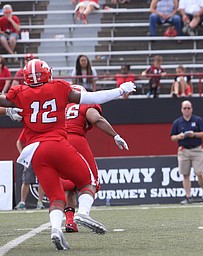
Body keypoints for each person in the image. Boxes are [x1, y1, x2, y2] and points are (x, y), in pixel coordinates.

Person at [0, 58, 135, 250]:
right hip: (57, 144)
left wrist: (8, 111)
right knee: (88, 181)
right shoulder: (58, 88)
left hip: (36, 151)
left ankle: (56, 228)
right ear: (47, 73)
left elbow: (3, 99)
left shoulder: (20, 92)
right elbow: (95, 98)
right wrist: (121, 90)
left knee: (56, 196)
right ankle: (83, 213)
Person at [63, 84, 129, 232]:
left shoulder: (60, 107)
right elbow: (97, 119)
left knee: (69, 185)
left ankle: (69, 222)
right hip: (76, 140)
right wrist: (115, 135)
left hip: (59, 142)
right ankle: (83, 213)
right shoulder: (84, 105)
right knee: (91, 180)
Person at [170, 100, 203, 205]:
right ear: (181, 109)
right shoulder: (177, 122)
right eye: (185, 108)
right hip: (183, 150)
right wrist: (180, 136)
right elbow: (172, 137)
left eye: (188, 108)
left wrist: (194, 134)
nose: (187, 110)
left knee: (199, 173)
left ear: (192, 109)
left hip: (197, 149)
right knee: (185, 174)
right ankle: (188, 197)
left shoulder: (197, 120)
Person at [14, 128, 46, 210]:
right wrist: (23, 154)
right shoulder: (28, 127)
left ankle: (40, 202)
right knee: (26, 180)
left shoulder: (46, 128)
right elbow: (19, 141)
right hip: (30, 157)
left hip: (41, 155)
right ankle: (22, 202)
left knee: (42, 180)